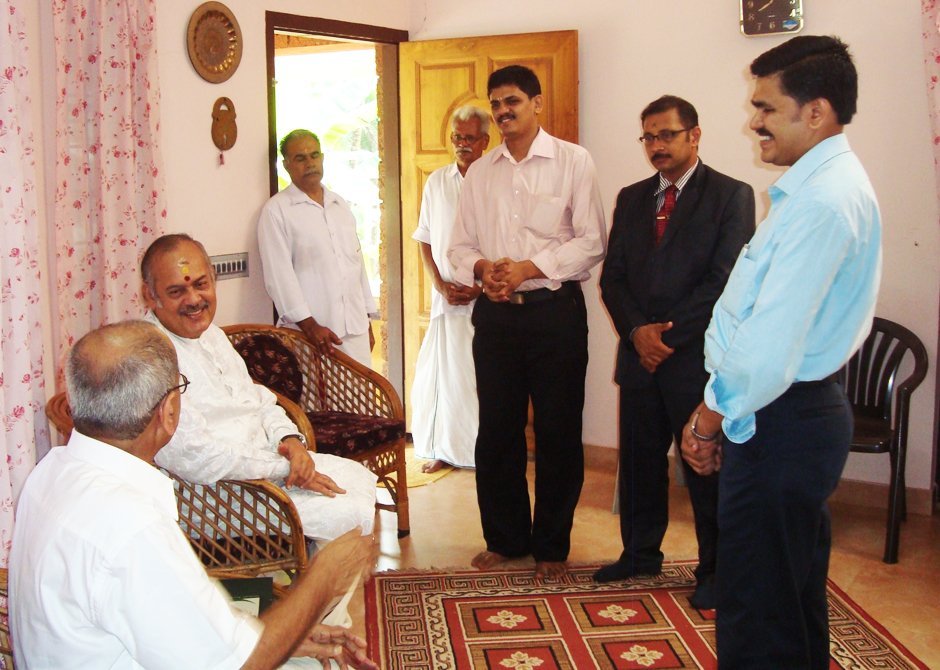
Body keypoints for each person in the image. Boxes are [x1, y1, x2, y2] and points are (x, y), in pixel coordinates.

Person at [9, 320, 377, 669]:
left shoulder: (50, 473)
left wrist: (290, 633)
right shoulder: (132, 527)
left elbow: (167, 619)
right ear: (169, 412)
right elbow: (240, 665)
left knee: (299, 645)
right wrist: (322, 578)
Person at [680, 36, 881, 668]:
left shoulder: (822, 201)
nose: (753, 122)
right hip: (788, 414)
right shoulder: (819, 187)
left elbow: (767, 346)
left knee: (757, 605)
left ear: (815, 111)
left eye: (766, 108)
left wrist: (709, 417)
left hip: (782, 417)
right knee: (786, 599)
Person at [594, 96, 754, 612]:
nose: (657, 146)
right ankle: (640, 554)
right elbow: (613, 276)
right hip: (640, 359)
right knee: (640, 464)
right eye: (649, 137)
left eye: (667, 135)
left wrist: (665, 337)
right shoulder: (632, 197)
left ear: (695, 135)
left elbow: (724, 280)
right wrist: (638, 333)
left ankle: (717, 571)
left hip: (695, 361)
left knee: (703, 468)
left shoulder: (732, 195)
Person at [448, 65, 607, 580]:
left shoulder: (572, 161)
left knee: (559, 431)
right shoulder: (482, 171)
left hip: (554, 314)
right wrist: (485, 272)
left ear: (537, 103)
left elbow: (591, 242)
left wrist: (527, 269)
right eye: (496, 104)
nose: (502, 112)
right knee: (496, 431)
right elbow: (458, 246)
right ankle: (505, 538)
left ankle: (552, 548)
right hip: (496, 317)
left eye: (512, 101)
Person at [141, 233, 378, 548]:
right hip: (219, 497)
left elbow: (261, 401)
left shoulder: (211, 335)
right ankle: (313, 592)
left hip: (269, 472)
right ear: (150, 295)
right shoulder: (150, 358)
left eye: (200, 284)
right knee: (345, 514)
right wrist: (287, 466)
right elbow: (197, 458)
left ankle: (315, 583)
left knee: (356, 478)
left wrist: (291, 442)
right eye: (176, 291)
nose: (194, 300)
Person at [411, 105, 490, 473]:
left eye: (469, 138)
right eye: (457, 138)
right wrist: (439, 284)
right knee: (446, 376)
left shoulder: (495, 181)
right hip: (445, 300)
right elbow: (424, 238)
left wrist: (479, 288)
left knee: (480, 378)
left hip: (487, 300)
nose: (462, 145)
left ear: (485, 142)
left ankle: (481, 453)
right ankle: (445, 448)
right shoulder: (436, 182)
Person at [258, 129, 376, 368]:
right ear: (287, 165)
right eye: (300, 158)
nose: (309, 163)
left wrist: (365, 319)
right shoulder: (277, 211)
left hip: (355, 330)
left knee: (361, 401)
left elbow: (356, 264)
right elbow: (279, 276)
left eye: (314, 155)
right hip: (313, 334)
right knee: (319, 403)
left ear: (322, 158)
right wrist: (310, 325)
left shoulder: (339, 205)